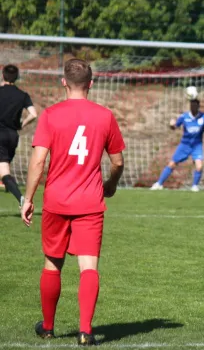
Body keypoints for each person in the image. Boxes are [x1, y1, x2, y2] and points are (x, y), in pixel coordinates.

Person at [20, 59, 125, 346]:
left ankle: (49, 326)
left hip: (56, 201)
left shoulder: (51, 115)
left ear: (63, 82)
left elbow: (38, 161)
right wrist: (110, 185)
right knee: (88, 267)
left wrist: (27, 199)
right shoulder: (105, 116)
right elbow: (118, 161)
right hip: (90, 202)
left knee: (52, 264)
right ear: (91, 83)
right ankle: (85, 331)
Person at [151, 98, 204, 192]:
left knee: (199, 166)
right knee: (172, 164)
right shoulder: (184, 117)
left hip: (197, 145)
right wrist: (171, 125)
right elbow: (174, 126)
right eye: (192, 105)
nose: (193, 107)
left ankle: (195, 186)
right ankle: (159, 184)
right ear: (190, 106)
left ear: (198, 106)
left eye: (195, 105)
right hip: (184, 145)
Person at [0, 64, 37, 206]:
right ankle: (17, 194)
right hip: (12, 136)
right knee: (4, 170)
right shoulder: (22, 95)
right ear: (17, 77)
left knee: (4, 172)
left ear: (3, 75)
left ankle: (21, 198)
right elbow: (33, 114)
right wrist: (22, 125)